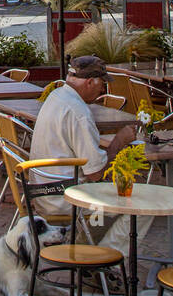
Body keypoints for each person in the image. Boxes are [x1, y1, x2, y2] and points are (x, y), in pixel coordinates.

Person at [29, 56, 149, 281]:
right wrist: (119, 141)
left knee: (118, 191)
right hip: (66, 200)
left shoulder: (56, 96)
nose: (102, 89)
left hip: (42, 193)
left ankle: (88, 244)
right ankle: (105, 264)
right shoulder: (79, 113)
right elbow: (95, 172)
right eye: (102, 84)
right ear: (90, 82)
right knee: (141, 202)